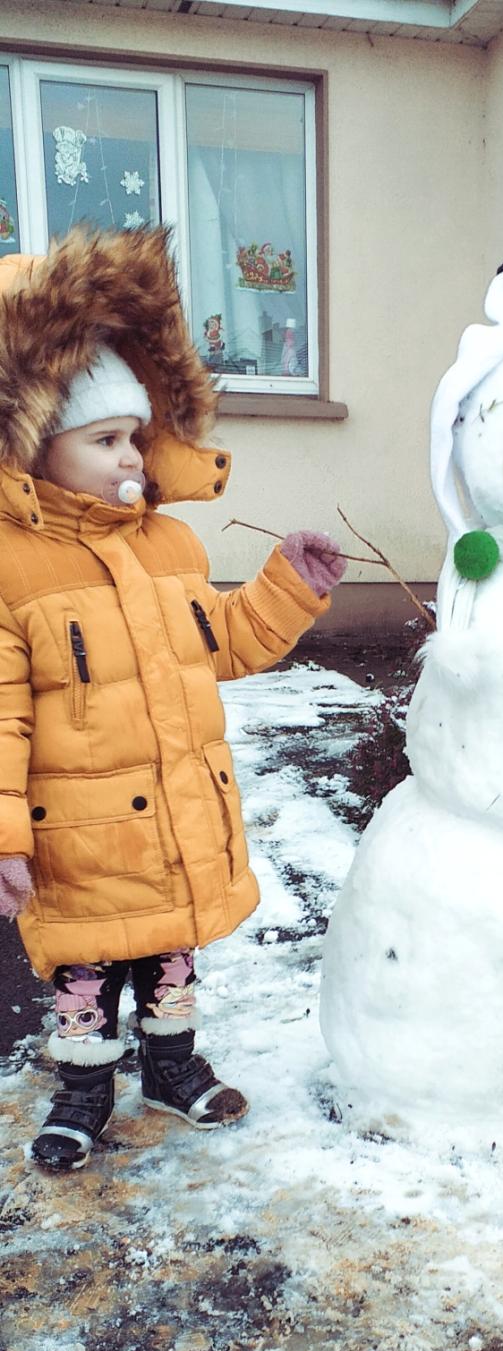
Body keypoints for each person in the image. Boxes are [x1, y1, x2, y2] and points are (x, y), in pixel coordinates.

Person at [0, 225, 347, 1172]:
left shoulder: (171, 547)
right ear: (35, 447)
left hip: (174, 814)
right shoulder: (14, 566)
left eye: (136, 438)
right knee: (84, 978)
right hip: (76, 832)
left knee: (171, 962)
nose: (129, 458)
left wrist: (287, 589)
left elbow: (221, 643)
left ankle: (172, 1067)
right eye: (104, 439)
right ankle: (81, 1093)